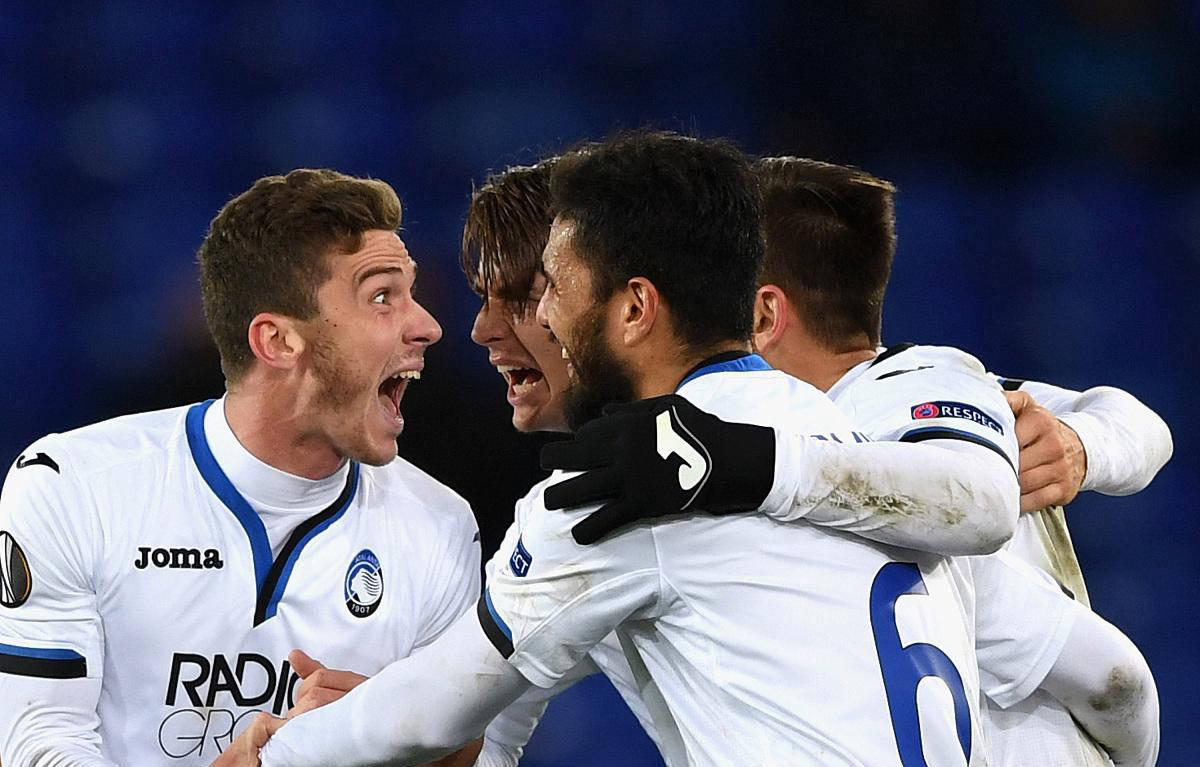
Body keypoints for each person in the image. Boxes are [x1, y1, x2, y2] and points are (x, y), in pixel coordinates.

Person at [229, 131, 1115, 767]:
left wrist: (280, 753)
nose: (535, 321)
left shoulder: (630, 485)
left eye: (551, 290)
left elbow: (438, 705)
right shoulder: (844, 436)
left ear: (634, 306)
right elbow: (1117, 677)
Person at [546, 156, 1165, 765]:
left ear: (761, 313)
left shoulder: (922, 393)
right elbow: (1118, 683)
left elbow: (1020, 490)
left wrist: (1081, 446)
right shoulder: (945, 399)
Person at [0, 169, 482, 767]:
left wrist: (390, 735)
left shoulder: (440, 525)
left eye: (411, 293)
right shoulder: (73, 487)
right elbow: (37, 744)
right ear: (276, 342)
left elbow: (483, 754)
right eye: (383, 297)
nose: (428, 326)